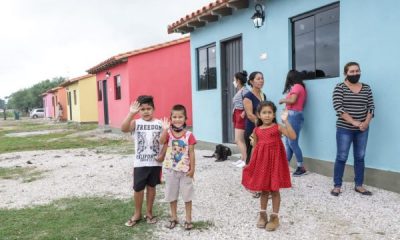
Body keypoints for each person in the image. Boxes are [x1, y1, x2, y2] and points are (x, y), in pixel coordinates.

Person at [242, 101, 295, 231]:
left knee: (275, 190)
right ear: (259, 115)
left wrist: (286, 121)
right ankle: (262, 215)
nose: (267, 115)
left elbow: (293, 136)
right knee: (264, 190)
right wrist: (251, 164)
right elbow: (254, 148)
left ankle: (274, 217)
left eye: (269, 112)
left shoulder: (277, 127)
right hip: (262, 164)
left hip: (275, 163)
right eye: (264, 113)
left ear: (273, 114)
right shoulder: (256, 130)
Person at [331, 62, 375, 196]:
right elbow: (338, 108)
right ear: (346, 73)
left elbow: (371, 107)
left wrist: (366, 122)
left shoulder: (366, 88)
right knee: (341, 157)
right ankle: (337, 185)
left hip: (363, 129)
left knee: (360, 157)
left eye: (357, 71)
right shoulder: (340, 87)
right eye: (352, 71)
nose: (355, 74)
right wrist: (354, 122)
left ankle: (359, 185)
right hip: (345, 129)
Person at [121, 95, 164, 227]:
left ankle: (149, 213)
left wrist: (162, 155)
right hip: (140, 163)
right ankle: (137, 214)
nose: (146, 111)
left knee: (152, 188)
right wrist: (131, 113)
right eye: (143, 109)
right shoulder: (136, 123)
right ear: (139, 111)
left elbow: (166, 141)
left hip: (155, 163)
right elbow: (123, 128)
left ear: (154, 109)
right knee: (138, 189)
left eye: (149, 108)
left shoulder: (160, 124)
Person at [159, 104, 196, 230]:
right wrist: (164, 129)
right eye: (174, 117)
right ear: (171, 118)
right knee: (172, 195)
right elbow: (161, 141)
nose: (177, 119)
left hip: (185, 171)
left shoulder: (189, 135)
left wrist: (193, 169)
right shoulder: (168, 133)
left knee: (187, 196)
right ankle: (173, 217)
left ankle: (188, 219)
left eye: (180, 117)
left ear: (186, 118)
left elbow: (191, 152)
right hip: (171, 170)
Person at [279, 70, 307, 176]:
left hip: (294, 115)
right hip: (292, 115)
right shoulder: (300, 87)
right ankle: (285, 166)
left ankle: (301, 167)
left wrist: (282, 100)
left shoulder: (296, 87)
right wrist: (286, 115)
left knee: (292, 142)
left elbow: (292, 101)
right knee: (288, 143)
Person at [243, 71, 266, 166]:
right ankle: (248, 178)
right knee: (251, 157)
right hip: (252, 130)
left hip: (262, 129)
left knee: (261, 157)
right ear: (252, 82)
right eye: (258, 79)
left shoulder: (263, 95)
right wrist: (264, 124)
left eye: (262, 78)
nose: (261, 81)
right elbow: (250, 115)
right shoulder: (248, 96)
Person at [231, 71, 250, 168]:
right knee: (239, 139)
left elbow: (249, 103)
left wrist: (245, 112)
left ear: (238, 80)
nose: (233, 82)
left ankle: (246, 159)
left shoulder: (245, 91)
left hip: (241, 116)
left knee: (239, 140)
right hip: (237, 115)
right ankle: (243, 158)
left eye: (234, 80)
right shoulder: (241, 90)